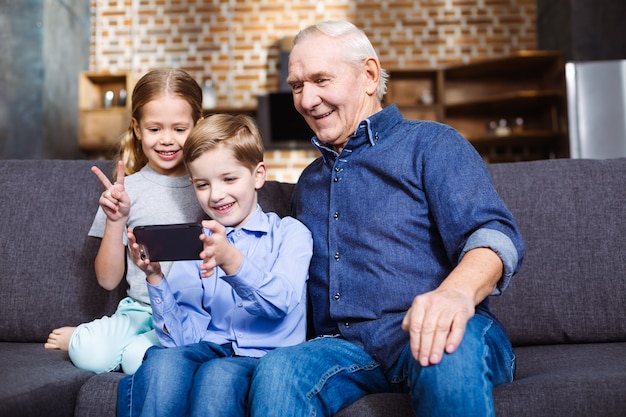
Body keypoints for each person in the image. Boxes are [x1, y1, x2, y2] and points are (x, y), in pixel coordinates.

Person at [248, 20, 525, 417]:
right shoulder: (309, 182)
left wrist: (455, 293)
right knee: (279, 370)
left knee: (444, 349)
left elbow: (495, 235)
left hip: (438, 328)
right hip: (342, 349)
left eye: (321, 80)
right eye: (296, 86)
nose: (307, 100)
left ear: (369, 75)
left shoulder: (432, 144)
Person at [116, 113, 312, 417]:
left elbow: (280, 302)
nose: (216, 195)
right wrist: (155, 277)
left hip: (265, 356)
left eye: (229, 179)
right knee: (161, 361)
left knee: (217, 376)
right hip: (210, 348)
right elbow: (180, 340)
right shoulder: (198, 242)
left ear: (258, 175)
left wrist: (230, 260)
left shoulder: (290, 233)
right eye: (202, 184)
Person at [44, 68, 206, 375]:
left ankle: (126, 348)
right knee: (89, 354)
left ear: (198, 125)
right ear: (137, 128)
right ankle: (85, 337)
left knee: (138, 360)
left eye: (179, 129)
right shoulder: (124, 192)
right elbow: (107, 280)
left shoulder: (209, 187)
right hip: (137, 310)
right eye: (155, 129)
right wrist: (116, 220)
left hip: (185, 316)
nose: (167, 140)